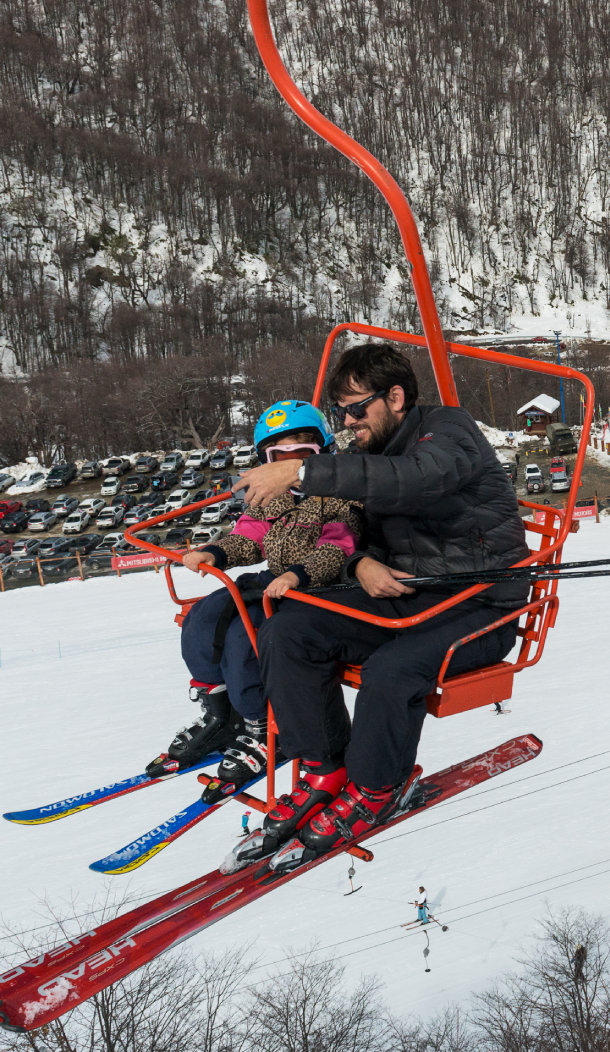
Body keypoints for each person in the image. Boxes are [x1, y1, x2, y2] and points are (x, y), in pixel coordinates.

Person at [235, 344, 527, 864]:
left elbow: (417, 479)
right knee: (290, 628)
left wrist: (303, 473)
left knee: (394, 668)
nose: (347, 423)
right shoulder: (373, 454)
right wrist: (360, 565)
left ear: (395, 397)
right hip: (409, 596)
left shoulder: (449, 433)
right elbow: (357, 532)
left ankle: (376, 785)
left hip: (481, 606)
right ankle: (325, 767)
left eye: (356, 408)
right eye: (340, 413)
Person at [153, 402, 363, 798]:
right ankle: (220, 713)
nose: (289, 470)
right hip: (272, 581)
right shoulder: (270, 496)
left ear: (325, 454)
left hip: (316, 588)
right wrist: (215, 553)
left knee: (244, 641)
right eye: (277, 459)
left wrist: (296, 574)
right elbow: (248, 536)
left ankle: (262, 728)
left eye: (303, 458)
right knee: (205, 618)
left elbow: (337, 546)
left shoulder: (338, 497)